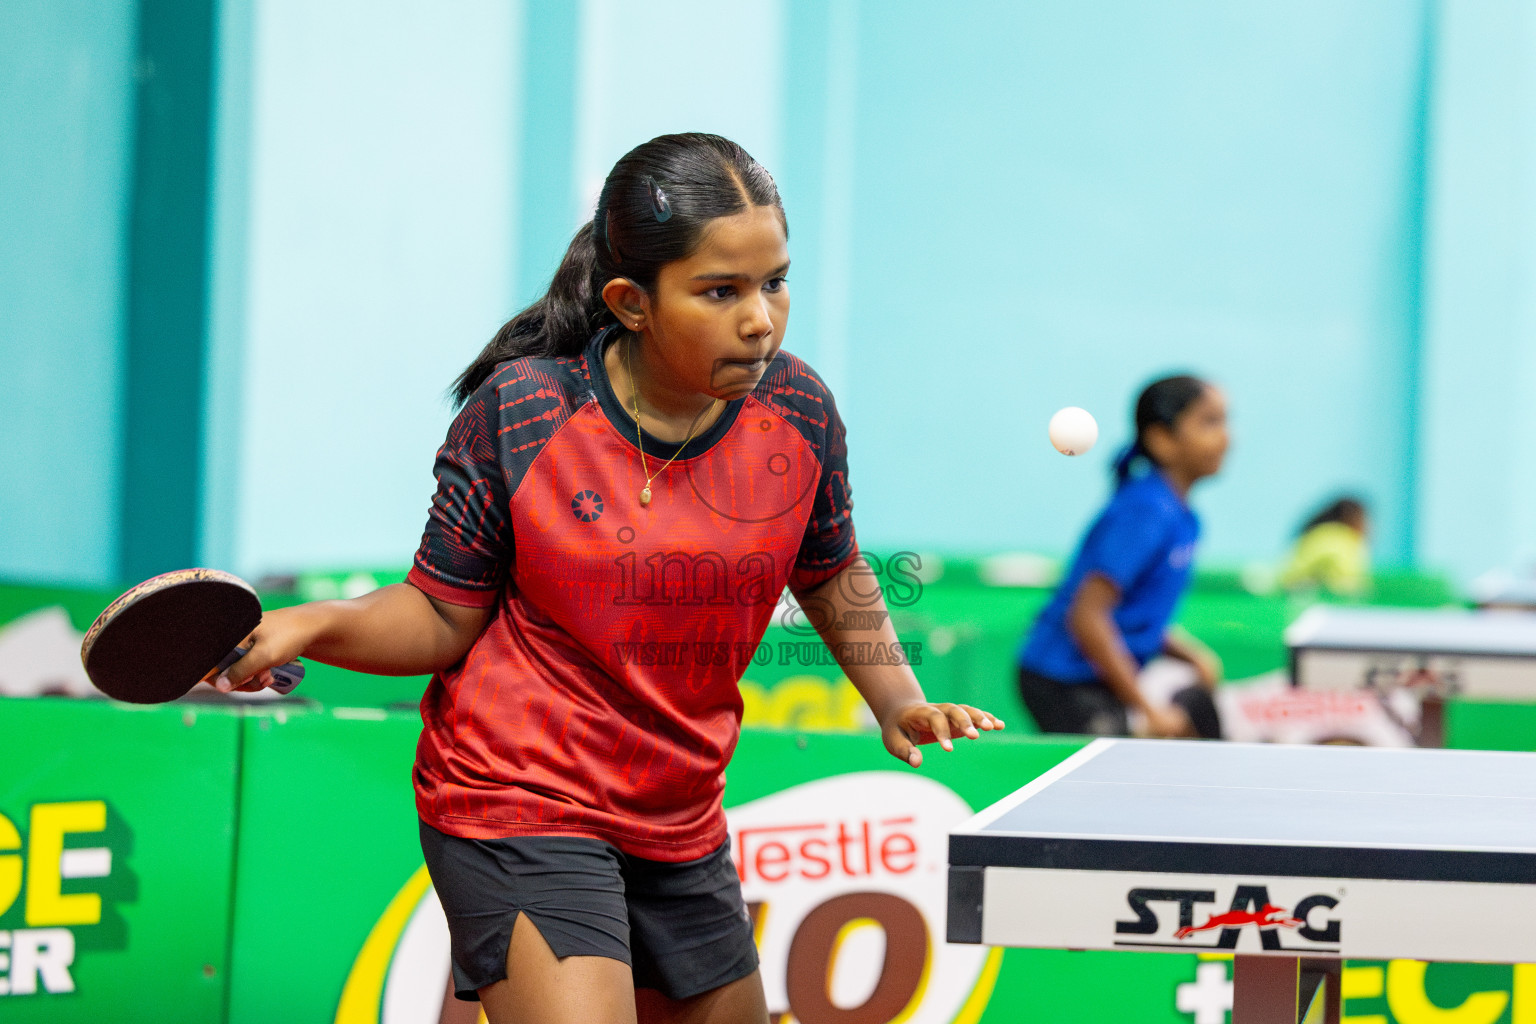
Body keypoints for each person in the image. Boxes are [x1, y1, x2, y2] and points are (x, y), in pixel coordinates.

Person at [213, 133, 1003, 1024]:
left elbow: (830, 569)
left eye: (775, 282)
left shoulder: (798, 410)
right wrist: (309, 626)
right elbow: (440, 613)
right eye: (720, 291)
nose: (761, 320)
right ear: (631, 301)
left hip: (678, 808)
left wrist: (897, 699)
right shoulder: (524, 413)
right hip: (519, 796)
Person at [1016, 375, 1228, 739]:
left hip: (1093, 676)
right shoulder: (1145, 511)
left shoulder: (1182, 516)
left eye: (1225, 421)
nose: (1226, 437)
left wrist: (1191, 655)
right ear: (1162, 439)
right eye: (1209, 422)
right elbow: (1087, 616)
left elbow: (1133, 614)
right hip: (1061, 678)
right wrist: (1146, 708)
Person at [1280, 496, 1370, 596]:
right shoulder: (1344, 539)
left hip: (1290, 587)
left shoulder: (1318, 532)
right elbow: (1345, 583)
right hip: (1307, 593)